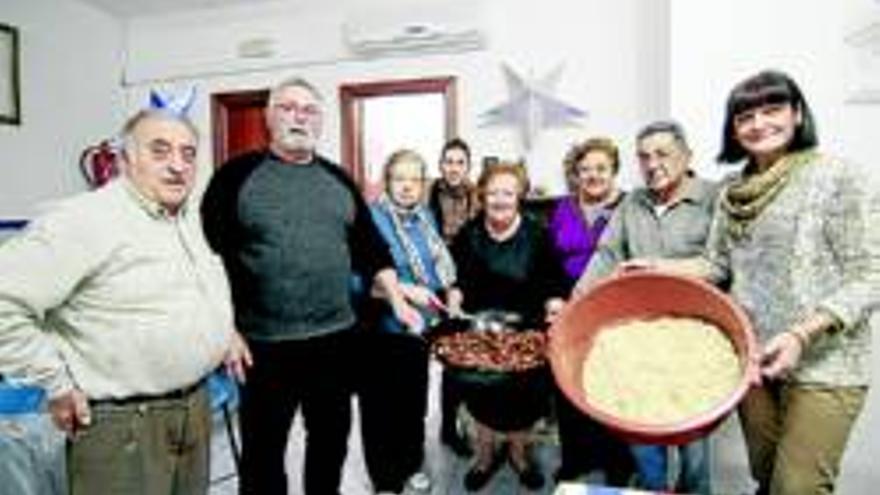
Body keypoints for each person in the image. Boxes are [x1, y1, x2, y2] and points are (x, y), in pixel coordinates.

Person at [0, 95, 246, 495]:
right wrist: (56, 382)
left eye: (188, 153)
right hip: (123, 426)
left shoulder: (190, 218)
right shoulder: (83, 220)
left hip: (193, 409)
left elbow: (195, 289)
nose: (178, 165)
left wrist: (223, 332)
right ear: (124, 160)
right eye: (160, 150)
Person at [651, 70, 879, 495]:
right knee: (767, 477)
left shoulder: (838, 177)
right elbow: (715, 264)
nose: (758, 124)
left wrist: (800, 334)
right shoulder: (732, 190)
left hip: (827, 363)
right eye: (745, 116)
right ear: (733, 128)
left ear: (797, 115)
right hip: (753, 360)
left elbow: (872, 274)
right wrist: (653, 265)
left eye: (772, 110)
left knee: (797, 488)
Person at [200, 77, 422, 495]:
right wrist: (225, 331)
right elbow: (206, 263)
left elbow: (371, 249)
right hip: (263, 348)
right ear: (269, 117)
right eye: (288, 107)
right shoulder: (235, 178)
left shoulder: (338, 180)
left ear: (320, 122)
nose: (298, 116)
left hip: (335, 342)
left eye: (309, 110)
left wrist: (396, 297)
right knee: (263, 455)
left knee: (330, 443)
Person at [574, 120, 719, 494]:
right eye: (644, 157)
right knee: (638, 422)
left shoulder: (713, 199)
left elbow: (724, 265)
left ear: (687, 156)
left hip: (696, 339)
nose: (652, 164)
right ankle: (652, 487)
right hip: (638, 335)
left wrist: (663, 268)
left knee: (692, 434)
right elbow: (606, 255)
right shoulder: (633, 203)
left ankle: (694, 489)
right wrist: (573, 308)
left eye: (662, 154)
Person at [448, 162, 567, 492]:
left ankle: (519, 454)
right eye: (493, 192)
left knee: (523, 404)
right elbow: (457, 281)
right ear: (483, 195)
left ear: (519, 197)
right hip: (481, 333)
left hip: (526, 335)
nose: (500, 199)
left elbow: (553, 283)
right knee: (482, 400)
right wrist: (455, 299)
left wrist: (554, 304)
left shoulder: (538, 235)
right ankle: (484, 455)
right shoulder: (468, 234)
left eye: (508, 192)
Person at [358, 149, 457, 494]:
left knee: (412, 405)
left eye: (414, 179)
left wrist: (446, 295)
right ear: (387, 181)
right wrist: (402, 290)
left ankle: (410, 465)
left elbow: (435, 269)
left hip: (418, 331)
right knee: (380, 411)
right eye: (399, 178)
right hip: (380, 332)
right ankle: (384, 480)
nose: (407, 187)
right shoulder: (369, 218)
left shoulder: (426, 216)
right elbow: (355, 280)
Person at [548, 137, 633, 485]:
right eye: (584, 170)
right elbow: (550, 258)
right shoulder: (564, 208)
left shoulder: (630, 207)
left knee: (611, 384)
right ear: (576, 174)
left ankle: (617, 460)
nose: (592, 176)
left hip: (612, 307)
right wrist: (553, 298)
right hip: (568, 306)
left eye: (600, 168)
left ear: (613, 170)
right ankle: (575, 458)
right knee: (569, 382)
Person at [427, 137, 479, 456]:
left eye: (460, 162)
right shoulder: (428, 195)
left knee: (465, 359)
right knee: (448, 359)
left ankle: (465, 423)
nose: (454, 167)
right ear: (441, 165)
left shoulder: (479, 197)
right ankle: (447, 427)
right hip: (435, 285)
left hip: (469, 282)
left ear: (467, 166)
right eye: (449, 161)